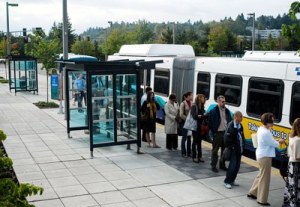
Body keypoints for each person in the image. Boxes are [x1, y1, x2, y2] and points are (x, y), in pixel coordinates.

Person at [248, 113, 285, 206]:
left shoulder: (261, 129)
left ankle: (252, 192)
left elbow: (269, 141)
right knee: (265, 178)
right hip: (265, 156)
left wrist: (275, 140)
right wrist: (279, 141)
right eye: (272, 121)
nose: (273, 123)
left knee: (261, 175)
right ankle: (261, 199)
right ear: (267, 122)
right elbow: (274, 144)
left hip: (261, 155)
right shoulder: (266, 132)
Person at [208, 95, 232, 172]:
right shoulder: (213, 111)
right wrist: (213, 131)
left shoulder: (227, 111)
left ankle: (222, 165)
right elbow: (209, 122)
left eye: (224, 101)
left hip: (225, 133)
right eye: (222, 101)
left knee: (224, 150)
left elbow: (230, 120)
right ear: (218, 102)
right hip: (217, 133)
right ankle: (213, 166)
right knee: (215, 150)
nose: (224, 103)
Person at [223, 111, 245, 189]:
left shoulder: (240, 126)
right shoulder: (231, 126)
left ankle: (232, 180)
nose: (241, 119)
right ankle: (227, 181)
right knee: (232, 166)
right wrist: (232, 147)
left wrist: (243, 146)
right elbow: (226, 139)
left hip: (239, 150)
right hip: (233, 150)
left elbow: (242, 137)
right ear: (235, 117)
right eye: (240, 117)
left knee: (237, 167)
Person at [283, 118, 300, 207]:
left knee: (290, 183)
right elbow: (297, 156)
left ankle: (288, 202)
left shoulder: (291, 136)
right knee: (295, 185)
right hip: (296, 165)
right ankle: (294, 204)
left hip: (291, 164)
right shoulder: (298, 140)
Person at [190, 94, 206, 163]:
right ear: (199, 99)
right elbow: (194, 116)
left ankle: (200, 156)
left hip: (200, 126)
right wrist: (200, 116)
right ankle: (194, 156)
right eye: (202, 98)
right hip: (195, 126)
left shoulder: (202, 106)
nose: (204, 99)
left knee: (200, 142)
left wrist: (203, 116)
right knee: (195, 141)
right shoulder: (194, 106)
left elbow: (202, 115)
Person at [180, 92, 193, 157]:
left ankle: (189, 152)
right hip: (185, 123)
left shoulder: (192, 103)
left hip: (190, 123)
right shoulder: (183, 103)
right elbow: (181, 114)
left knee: (189, 138)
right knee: (184, 138)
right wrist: (187, 119)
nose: (192, 96)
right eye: (191, 95)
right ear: (188, 96)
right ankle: (183, 152)